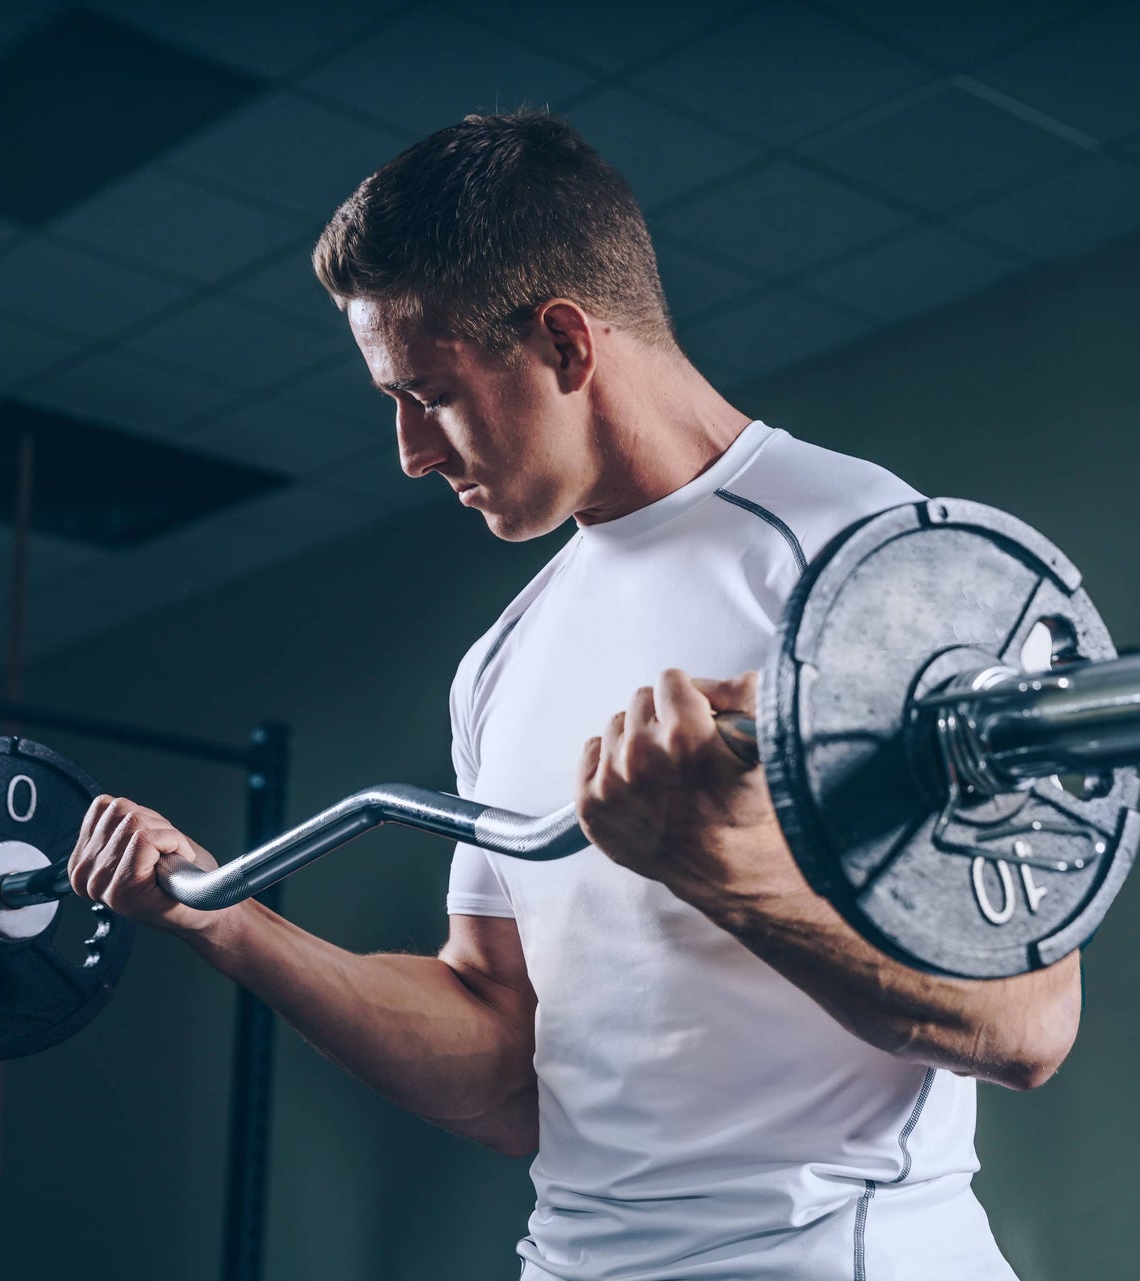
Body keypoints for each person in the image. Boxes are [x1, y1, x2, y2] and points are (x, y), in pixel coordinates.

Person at [68, 112, 1079, 1281]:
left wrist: (716, 869)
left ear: (564, 340)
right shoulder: (504, 657)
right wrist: (230, 925)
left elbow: (1023, 1025)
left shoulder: (866, 560)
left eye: (429, 393)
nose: (409, 451)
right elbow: (504, 1062)